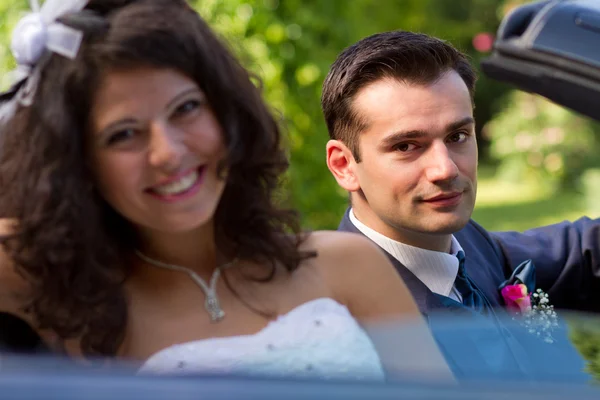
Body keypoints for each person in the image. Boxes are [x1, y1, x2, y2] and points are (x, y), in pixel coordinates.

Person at [0, 0, 450, 381]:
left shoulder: (348, 265)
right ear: (80, 162)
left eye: (187, 108)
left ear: (227, 114)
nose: (168, 153)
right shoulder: (70, 300)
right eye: (123, 135)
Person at [322, 30, 600, 378]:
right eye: (406, 146)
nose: (446, 169)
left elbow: (585, 251)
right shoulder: (341, 333)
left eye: (457, 137)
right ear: (344, 166)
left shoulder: (472, 244)